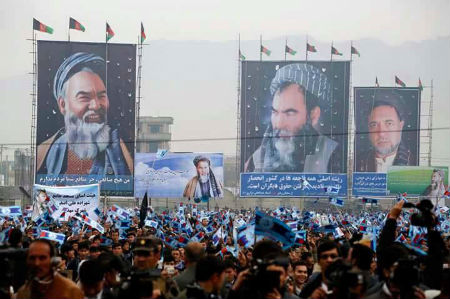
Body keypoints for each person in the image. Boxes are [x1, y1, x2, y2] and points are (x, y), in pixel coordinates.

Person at [36, 52, 133, 176]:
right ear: (63, 105)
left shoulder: (123, 150)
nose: (96, 105)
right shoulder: (44, 154)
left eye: (101, 96)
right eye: (84, 97)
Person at [244, 63, 342, 173]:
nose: (279, 124)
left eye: (290, 113)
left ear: (314, 115)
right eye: (275, 112)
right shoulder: (258, 159)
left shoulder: (332, 154)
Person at [355, 90, 415, 172]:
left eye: (389, 123)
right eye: (374, 125)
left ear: (401, 126)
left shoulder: (416, 163)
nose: (381, 133)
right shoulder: (356, 164)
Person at [16, 239, 84, 299]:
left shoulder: (70, 291)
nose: (37, 263)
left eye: (42, 258)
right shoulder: (23, 292)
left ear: (52, 260)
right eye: (32, 258)